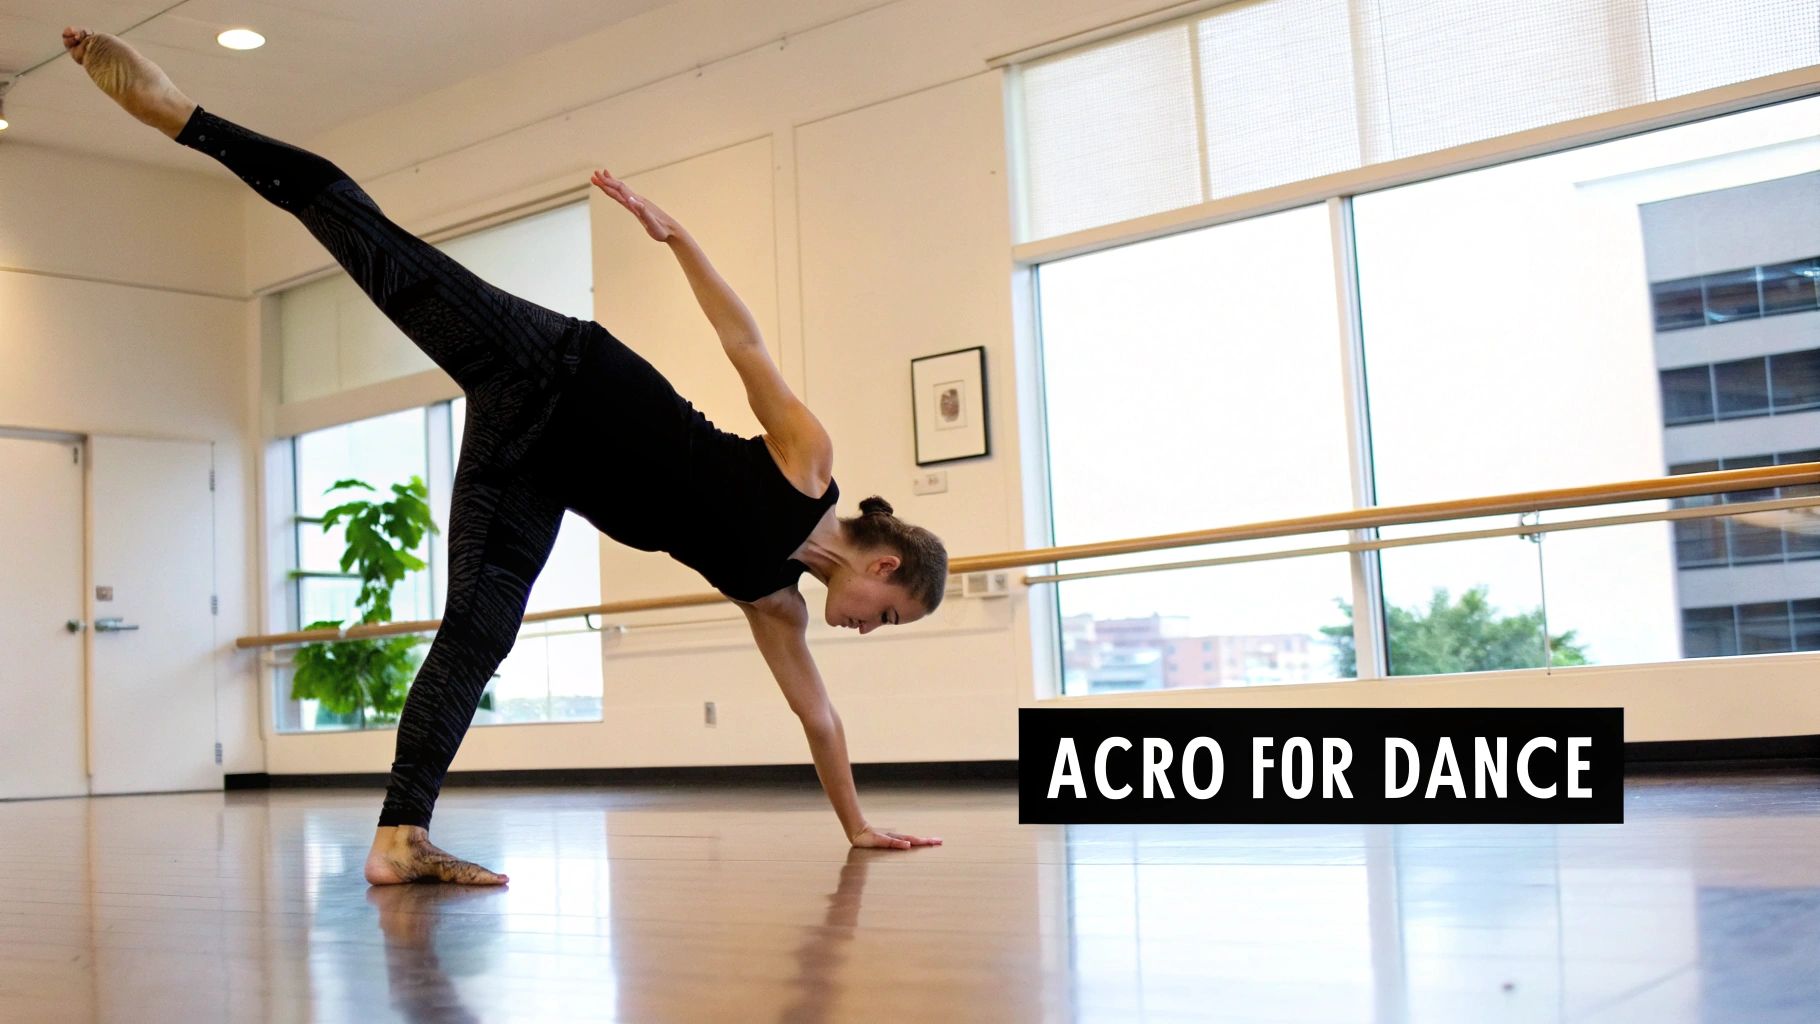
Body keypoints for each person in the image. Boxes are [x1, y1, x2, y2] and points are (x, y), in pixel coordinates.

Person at [62, 27, 948, 884]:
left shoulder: (775, 604)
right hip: (550, 363)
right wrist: (678, 238)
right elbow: (743, 343)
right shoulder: (807, 464)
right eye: (890, 616)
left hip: (532, 467)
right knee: (380, 247)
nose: (870, 630)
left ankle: (400, 839)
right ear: (884, 564)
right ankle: (184, 115)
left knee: (479, 633)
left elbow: (818, 718)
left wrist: (858, 826)